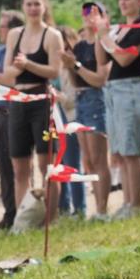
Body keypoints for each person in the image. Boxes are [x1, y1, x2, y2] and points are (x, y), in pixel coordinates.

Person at [1, 0, 64, 226]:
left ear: (45, 6)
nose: (33, 8)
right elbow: (8, 74)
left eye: (37, 4)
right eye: (29, 4)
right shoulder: (14, 35)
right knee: (20, 167)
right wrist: (13, 71)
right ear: (23, 7)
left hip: (41, 100)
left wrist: (28, 65)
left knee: (47, 165)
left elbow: (55, 71)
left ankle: (50, 219)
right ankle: (23, 221)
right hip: (18, 100)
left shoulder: (52, 36)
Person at [97, 0, 140, 219]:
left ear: (139, 1)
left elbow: (124, 59)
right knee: (120, 153)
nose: (122, 3)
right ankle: (127, 203)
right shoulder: (120, 30)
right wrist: (100, 35)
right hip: (113, 91)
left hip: (130, 90)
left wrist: (105, 37)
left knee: (131, 152)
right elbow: (102, 60)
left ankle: (135, 206)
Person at [60, 1, 111, 218]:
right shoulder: (80, 46)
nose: (89, 16)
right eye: (86, 12)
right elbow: (75, 81)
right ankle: (97, 209)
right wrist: (69, 65)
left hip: (96, 99)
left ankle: (102, 209)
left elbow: (99, 79)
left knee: (98, 159)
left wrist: (76, 66)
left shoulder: (103, 43)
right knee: (88, 160)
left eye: (95, 12)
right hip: (81, 99)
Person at [0, 10, 24, 233]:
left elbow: (10, 80)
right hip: (1, 112)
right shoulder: (0, 52)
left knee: (21, 167)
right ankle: (10, 213)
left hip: (17, 111)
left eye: (2, 26)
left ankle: (23, 212)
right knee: (4, 166)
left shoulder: (22, 51)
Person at [54, 26, 86, 219]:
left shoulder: (74, 66)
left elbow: (74, 98)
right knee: (60, 164)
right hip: (57, 120)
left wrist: (59, 97)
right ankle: (64, 207)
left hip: (71, 118)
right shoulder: (56, 67)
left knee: (73, 165)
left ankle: (79, 208)